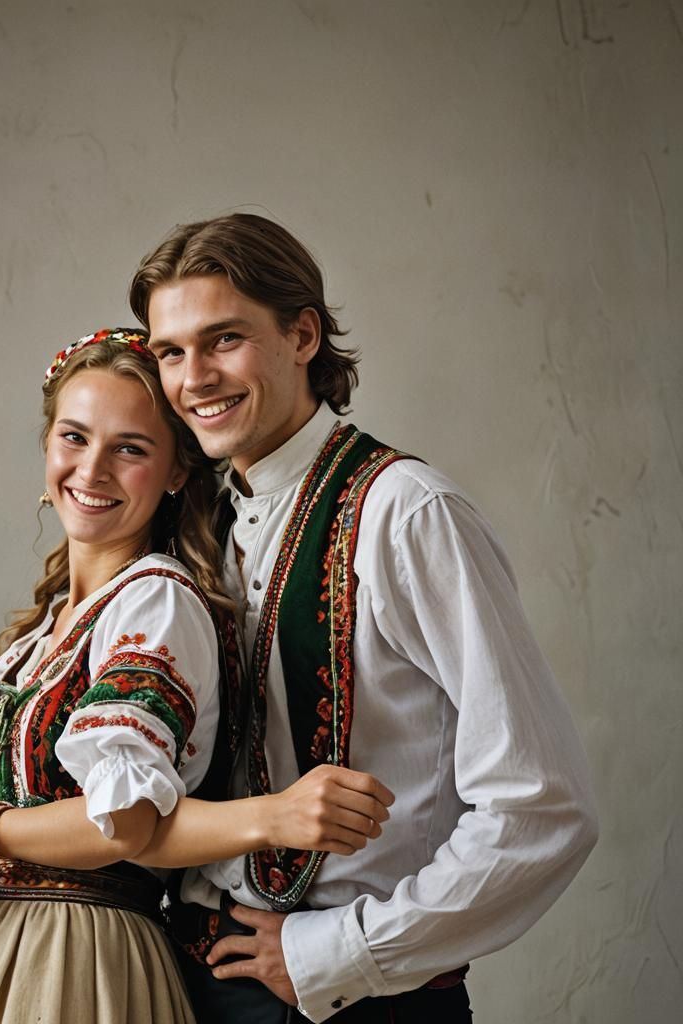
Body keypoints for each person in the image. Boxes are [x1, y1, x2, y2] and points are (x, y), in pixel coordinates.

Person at [129, 213, 600, 1023]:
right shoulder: (192, 522)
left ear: (304, 334)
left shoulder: (407, 513)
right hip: (194, 983)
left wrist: (344, 952)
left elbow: (542, 804)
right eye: (171, 352)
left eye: (224, 340)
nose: (193, 377)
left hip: (357, 1001)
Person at [0, 329, 395, 1024]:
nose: (91, 471)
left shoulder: (154, 598)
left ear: (177, 472)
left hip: (81, 951)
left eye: (130, 449)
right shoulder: (44, 635)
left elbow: (121, 821)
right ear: (46, 449)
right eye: (74, 437)